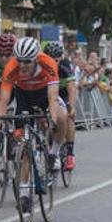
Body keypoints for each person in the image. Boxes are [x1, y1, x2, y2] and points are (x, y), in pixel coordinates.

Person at [0, 37, 68, 214]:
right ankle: (24, 194)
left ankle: (54, 153)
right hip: (24, 96)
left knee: (62, 117)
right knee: (25, 146)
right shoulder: (11, 67)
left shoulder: (48, 63)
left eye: (27, 61)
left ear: (36, 58)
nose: (23, 65)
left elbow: (52, 98)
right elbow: (4, 101)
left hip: (44, 94)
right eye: (19, 60)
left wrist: (51, 117)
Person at [43, 41, 77, 172]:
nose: (53, 62)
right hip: (49, 92)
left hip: (63, 93)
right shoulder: (42, 65)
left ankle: (69, 154)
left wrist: (72, 107)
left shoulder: (65, 66)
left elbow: (72, 88)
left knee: (68, 117)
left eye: (55, 59)